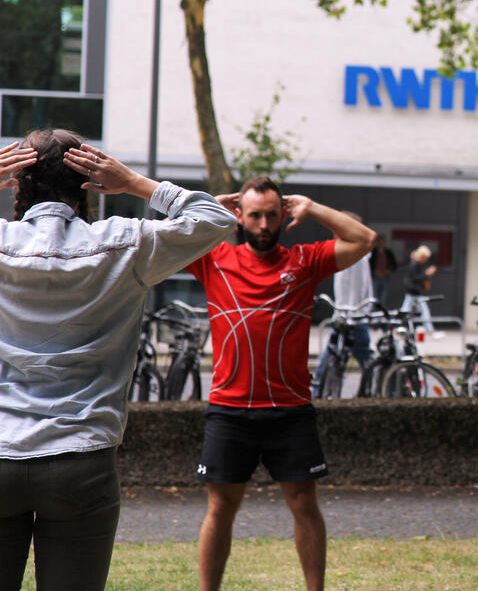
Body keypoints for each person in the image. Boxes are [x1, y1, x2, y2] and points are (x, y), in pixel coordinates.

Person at [0, 131, 236, 591]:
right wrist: (135, 183)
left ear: (17, 184)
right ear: (88, 185)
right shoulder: (126, 243)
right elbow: (216, 219)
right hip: (82, 456)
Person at [188, 176, 375, 591]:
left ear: (284, 215)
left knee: (305, 504)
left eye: (272, 215)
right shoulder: (213, 258)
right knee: (220, 508)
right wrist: (208, 205)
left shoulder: (305, 261)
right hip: (230, 410)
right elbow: (160, 235)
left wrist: (314, 207)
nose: (263, 225)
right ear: (239, 217)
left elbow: (364, 239)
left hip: (289, 411)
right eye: (255, 215)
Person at [312, 212, 374, 397]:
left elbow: (356, 290)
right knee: (352, 361)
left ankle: (320, 397)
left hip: (350, 319)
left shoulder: (355, 257)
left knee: (333, 363)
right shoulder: (350, 254)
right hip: (349, 317)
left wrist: (349, 315)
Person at [400, 244, 437, 333]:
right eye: (426, 258)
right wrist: (427, 273)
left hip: (414, 291)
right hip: (413, 291)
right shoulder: (414, 264)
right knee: (410, 310)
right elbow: (416, 278)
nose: (426, 260)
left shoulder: (416, 264)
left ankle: (399, 326)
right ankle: (398, 326)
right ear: (422, 256)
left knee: (407, 310)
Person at [369, 238, 397, 307]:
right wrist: (373, 271)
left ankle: (381, 310)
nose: (381, 244)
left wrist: (389, 270)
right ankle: (373, 310)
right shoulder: (373, 252)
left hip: (385, 277)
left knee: (383, 296)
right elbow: (369, 264)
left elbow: (395, 264)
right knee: (374, 295)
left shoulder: (388, 252)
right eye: (380, 242)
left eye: (383, 242)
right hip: (375, 277)